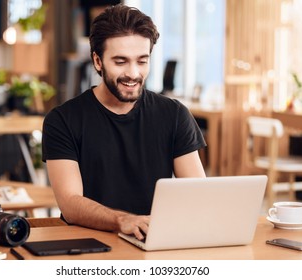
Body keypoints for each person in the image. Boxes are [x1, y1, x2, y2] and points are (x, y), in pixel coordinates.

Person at [42, 4, 206, 240]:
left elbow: (197, 194)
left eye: (142, 61)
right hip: (90, 244)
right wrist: (122, 220)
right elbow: (70, 203)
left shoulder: (175, 115)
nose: (133, 73)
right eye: (120, 62)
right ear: (98, 61)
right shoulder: (62, 120)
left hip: (152, 240)